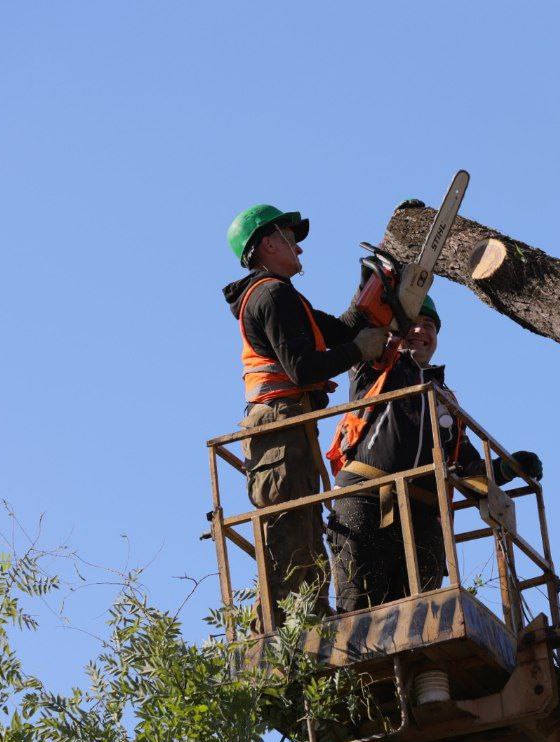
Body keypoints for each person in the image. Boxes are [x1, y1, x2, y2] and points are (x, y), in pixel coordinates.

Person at [325, 295, 543, 612]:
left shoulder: (443, 398)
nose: (420, 330)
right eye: (411, 322)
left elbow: (466, 468)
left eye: (428, 325)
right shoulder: (375, 364)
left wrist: (508, 469)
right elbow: (364, 321)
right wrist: (393, 287)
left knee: (421, 620)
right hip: (365, 500)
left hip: (423, 516)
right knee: (360, 613)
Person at [222, 204, 388, 620]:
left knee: (306, 531)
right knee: (292, 535)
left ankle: (308, 618)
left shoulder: (284, 296)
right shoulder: (271, 295)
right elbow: (303, 368)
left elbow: (340, 329)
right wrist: (358, 351)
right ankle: (287, 629)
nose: (298, 248)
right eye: (290, 238)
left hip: (289, 426)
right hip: (279, 425)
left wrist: (372, 286)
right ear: (267, 244)